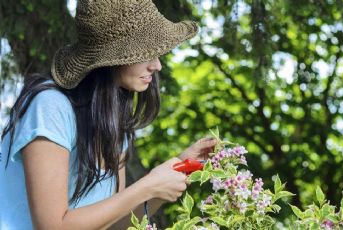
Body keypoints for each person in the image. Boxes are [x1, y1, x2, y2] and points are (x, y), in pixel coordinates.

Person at [0, 0, 217, 229]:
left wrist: (177, 169)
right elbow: (52, 226)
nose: (157, 65)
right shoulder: (51, 107)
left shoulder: (112, 119)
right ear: (112, 59)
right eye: (146, 53)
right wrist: (148, 185)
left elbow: (114, 224)